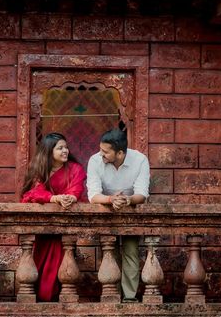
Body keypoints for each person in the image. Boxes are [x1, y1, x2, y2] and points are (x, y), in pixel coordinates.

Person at [86, 125, 150, 302]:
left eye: (105, 152)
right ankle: (111, 295)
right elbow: (92, 195)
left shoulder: (140, 160)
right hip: (106, 211)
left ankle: (129, 297)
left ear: (120, 153)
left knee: (131, 252)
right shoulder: (95, 161)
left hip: (131, 212)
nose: (101, 154)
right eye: (101, 149)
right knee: (109, 252)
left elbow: (142, 193)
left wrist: (127, 200)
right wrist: (110, 200)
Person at [20, 133, 86, 302]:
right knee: (40, 261)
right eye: (60, 148)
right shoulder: (40, 170)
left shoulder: (75, 169)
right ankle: (41, 299)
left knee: (62, 261)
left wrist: (71, 197)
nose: (65, 151)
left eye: (66, 147)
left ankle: (54, 297)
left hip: (67, 224)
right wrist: (53, 198)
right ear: (49, 152)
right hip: (44, 227)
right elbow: (32, 193)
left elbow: (76, 188)